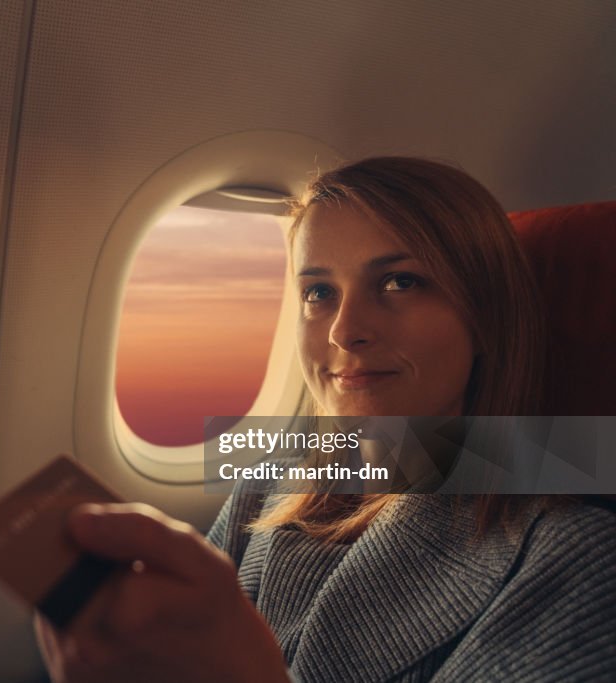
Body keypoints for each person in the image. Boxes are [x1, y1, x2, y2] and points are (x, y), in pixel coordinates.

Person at [34, 158, 616, 682]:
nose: (344, 330)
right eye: (318, 292)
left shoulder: (579, 563)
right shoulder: (266, 487)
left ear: (487, 315)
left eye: (399, 281)